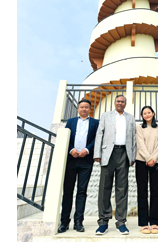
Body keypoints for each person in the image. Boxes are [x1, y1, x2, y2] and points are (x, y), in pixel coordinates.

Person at [93, 95, 137, 235]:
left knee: (122, 189)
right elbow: (99, 134)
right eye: (118, 101)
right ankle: (103, 222)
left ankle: (121, 222)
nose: (120, 103)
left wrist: (132, 155)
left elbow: (133, 137)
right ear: (115, 103)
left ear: (125, 104)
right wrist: (97, 154)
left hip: (124, 153)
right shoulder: (106, 115)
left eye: (122, 102)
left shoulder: (130, 118)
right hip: (108, 154)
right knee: (104, 188)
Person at [57, 99, 99, 233]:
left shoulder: (95, 123)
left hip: (86, 162)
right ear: (78, 108)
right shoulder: (71, 122)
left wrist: (87, 150)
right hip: (71, 160)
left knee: (82, 192)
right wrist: (71, 150)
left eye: (86, 107)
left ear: (89, 109)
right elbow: (65, 138)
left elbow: (96, 139)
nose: (84, 109)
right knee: (68, 192)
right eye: (82, 107)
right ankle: (64, 222)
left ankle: (78, 222)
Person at [135, 106, 158, 234]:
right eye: (144, 113)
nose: (147, 115)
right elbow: (140, 144)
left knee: (155, 192)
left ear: (153, 113)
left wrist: (153, 158)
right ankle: (143, 223)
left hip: (156, 161)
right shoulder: (139, 128)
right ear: (142, 116)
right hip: (141, 161)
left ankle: (154, 222)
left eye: (149, 112)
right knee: (142, 192)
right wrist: (148, 157)